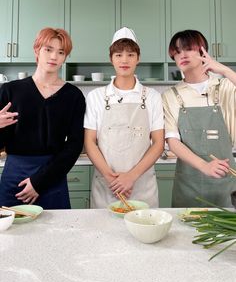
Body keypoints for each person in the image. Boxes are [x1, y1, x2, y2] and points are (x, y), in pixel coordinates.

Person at [0, 27, 85, 209]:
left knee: (57, 235)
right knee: (11, 235)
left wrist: (40, 182)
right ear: (36, 50)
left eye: (60, 52)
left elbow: (75, 145)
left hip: (53, 174)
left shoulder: (73, 96)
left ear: (65, 57)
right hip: (15, 175)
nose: (54, 57)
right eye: (48, 49)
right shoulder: (10, 91)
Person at [84, 27, 164, 208]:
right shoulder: (96, 96)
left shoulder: (152, 96)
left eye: (130, 54)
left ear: (138, 58)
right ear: (111, 58)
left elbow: (158, 143)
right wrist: (111, 178)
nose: (124, 60)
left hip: (142, 185)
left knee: (145, 232)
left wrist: (131, 177)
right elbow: (89, 142)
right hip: (107, 185)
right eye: (118, 55)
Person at [162, 29, 236, 207]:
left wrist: (224, 70)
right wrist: (205, 166)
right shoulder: (170, 95)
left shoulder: (225, 86)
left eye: (188, 48)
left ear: (203, 51)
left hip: (225, 182)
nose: (182, 55)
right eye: (177, 51)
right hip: (188, 184)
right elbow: (173, 141)